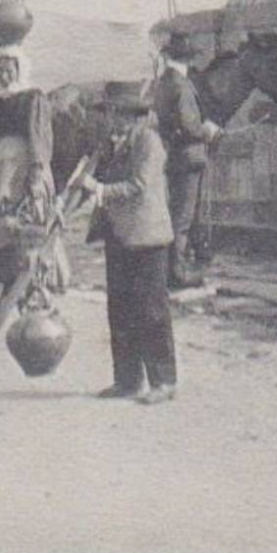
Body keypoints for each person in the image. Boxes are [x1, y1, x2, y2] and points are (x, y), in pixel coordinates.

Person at [81, 81, 178, 405]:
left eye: (119, 114)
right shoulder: (112, 145)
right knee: (120, 310)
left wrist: (99, 189)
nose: (113, 120)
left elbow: (138, 185)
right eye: (110, 113)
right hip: (119, 235)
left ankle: (163, 382)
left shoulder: (149, 142)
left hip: (147, 238)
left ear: (135, 116)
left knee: (151, 310)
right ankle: (127, 380)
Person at [0, 37, 68, 292]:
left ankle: (33, 282)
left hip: (25, 168)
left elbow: (39, 135)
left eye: (9, 70)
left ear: (20, 69)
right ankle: (8, 280)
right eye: (0, 70)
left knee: (26, 219)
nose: (4, 75)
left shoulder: (33, 97)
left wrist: (37, 172)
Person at [153, 32, 221, 289]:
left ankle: (174, 268)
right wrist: (209, 130)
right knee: (183, 216)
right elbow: (189, 125)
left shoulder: (164, 82)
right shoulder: (180, 85)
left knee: (180, 213)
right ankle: (177, 272)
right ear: (188, 58)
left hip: (176, 157)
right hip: (188, 157)